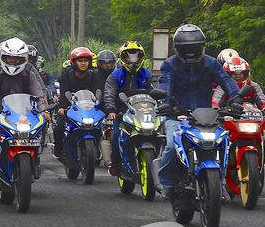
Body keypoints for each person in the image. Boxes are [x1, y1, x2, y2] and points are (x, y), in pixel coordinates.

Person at [157, 24, 238, 200]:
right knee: (171, 146)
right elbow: (165, 86)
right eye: (186, 49)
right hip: (177, 116)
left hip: (205, 117)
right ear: (178, 49)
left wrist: (236, 99)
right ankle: (168, 183)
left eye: (194, 47)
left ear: (202, 46)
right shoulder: (170, 65)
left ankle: (220, 184)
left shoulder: (211, 64)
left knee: (223, 144)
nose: (190, 52)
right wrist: (164, 103)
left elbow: (227, 81)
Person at [0, 37, 49, 177]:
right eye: (10, 58)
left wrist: (43, 110)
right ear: (3, 57)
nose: (13, 61)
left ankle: (35, 162)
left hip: (25, 112)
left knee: (37, 136)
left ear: (23, 59)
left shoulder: (29, 74)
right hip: (0, 113)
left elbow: (38, 93)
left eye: (16, 58)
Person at [102, 42, 153, 175]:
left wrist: (163, 104)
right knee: (117, 134)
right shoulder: (115, 75)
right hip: (122, 113)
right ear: (123, 58)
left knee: (159, 133)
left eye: (136, 57)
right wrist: (111, 110)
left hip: (145, 112)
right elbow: (109, 94)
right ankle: (116, 163)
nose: (133, 60)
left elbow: (157, 90)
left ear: (141, 57)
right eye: (129, 57)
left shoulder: (148, 75)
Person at [53, 46, 102, 159]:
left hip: (88, 109)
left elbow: (97, 93)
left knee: (99, 127)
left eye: (86, 61)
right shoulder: (67, 75)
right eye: (80, 61)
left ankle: (96, 147)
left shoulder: (92, 76)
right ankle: (58, 148)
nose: (83, 63)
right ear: (74, 62)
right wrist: (62, 108)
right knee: (59, 127)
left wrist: (100, 106)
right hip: (70, 108)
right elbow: (64, 92)